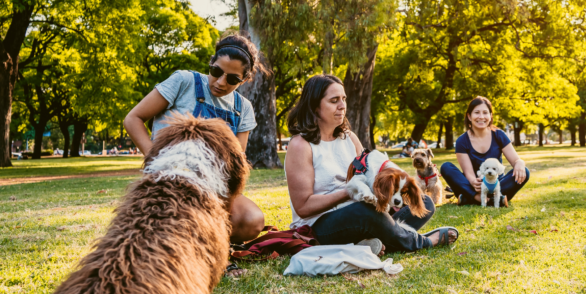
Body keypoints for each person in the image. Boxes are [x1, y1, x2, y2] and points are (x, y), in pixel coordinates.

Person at [284, 74, 458, 254]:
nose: (342, 106)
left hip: (362, 212)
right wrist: (349, 192)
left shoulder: (349, 138)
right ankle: (422, 242)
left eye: (343, 99)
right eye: (334, 100)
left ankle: (368, 243)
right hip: (321, 225)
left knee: (423, 202)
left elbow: (369, 175)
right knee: (365, 212)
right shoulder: (300, 145)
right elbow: (303, 207)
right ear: (314, 106)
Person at [123, 32, 265, 243]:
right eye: (216, 71)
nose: (221, 82)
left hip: (212, 186)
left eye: (233, 79)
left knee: (252, 220)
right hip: (170, 179)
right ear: (211, 63)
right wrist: (155, 159)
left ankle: (211, 244)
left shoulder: (243, 108)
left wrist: (219, 202)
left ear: (245, 80)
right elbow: (133, 118)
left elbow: (236, 162)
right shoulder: (184, 81)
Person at [439, 97, 529, 206]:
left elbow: (516, 160)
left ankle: (470, 198)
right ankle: (480, 198)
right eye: (477, 112)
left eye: (485, 113)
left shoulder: (499, 135)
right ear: (469, 116)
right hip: (474, 186)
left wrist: (520, 163)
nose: (481, 117)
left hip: (496, 184)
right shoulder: (462, 141)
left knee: (525, 172)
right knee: (446, 167)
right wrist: (473, 182)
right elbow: (469, 173)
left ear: (490, 116)